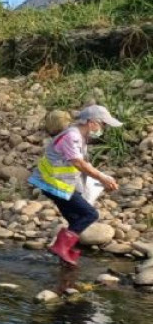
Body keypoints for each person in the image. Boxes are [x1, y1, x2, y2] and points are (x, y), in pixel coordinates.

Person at [28, 105, 122, 266]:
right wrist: (102, 177)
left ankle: (65, 251)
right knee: (90, 215)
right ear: (92, 122)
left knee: (76, 219)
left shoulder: (79, 136)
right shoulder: (72, 136)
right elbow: (78, 163)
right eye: (103, 124)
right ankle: (60, 247)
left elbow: (80, 163)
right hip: (54, 184)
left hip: (59, 184)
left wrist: (101, 178)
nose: (104, 128)